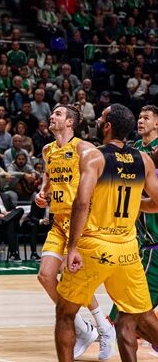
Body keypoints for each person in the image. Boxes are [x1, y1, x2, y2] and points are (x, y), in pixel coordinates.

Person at [55, 104, 158, 362]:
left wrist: (72, 247)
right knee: (137, 318)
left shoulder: (94, 157)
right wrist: (136, 205)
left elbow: (81, 202)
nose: (98, 120)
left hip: (95, 247)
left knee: (66, 313)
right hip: (128, 250)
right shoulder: (143, 159)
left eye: (102, 117)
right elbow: (157, 203)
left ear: (108, 126)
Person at [36, 104, 115, 359]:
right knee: (45, 276)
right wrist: (43, 192)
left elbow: (102, 180)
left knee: (76, 281)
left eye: (58, 114)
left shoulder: (84, 148)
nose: (52, 116)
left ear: (70, 122)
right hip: (58, 221)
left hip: (80, 222)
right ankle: (84, 329)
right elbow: (48, 177)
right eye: (53, 113)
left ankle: (103, 327)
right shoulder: (47, 150)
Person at [109, 105, 158, 321]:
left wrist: (137, 202)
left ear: (157, 123)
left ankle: (117, 323)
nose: (140, 121)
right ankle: (119, 323)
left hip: (152, 220)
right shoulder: (133, 148)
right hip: (135, 226)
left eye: (146, 118)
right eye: (139, 117)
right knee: (131, 280)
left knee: (141, 287)